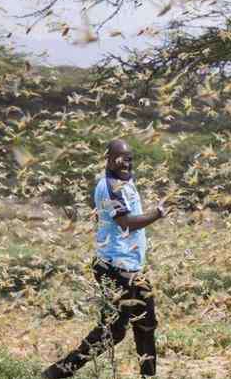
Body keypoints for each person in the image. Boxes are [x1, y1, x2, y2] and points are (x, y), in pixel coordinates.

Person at [42, 139, 169, 379]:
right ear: (108, 159)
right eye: (120, 158)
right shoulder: (109, 185)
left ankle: (148, 376)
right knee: (112, 331)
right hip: (115, 269)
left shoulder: (125, 183)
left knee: (146, 324)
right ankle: (55, 374)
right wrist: (158, 213)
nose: (126, 162)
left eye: (130, 158)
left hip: (133, 269)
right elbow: (125, 223)